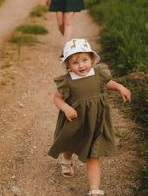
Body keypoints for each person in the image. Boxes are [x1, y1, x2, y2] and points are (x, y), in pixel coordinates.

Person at [48, 39, 131, 196]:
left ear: (92, 59)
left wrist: (120, 87)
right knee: (69, 144)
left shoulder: (98, 74)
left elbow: (109, 83)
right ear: (68, 65)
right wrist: (66, 108)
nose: (81, 66)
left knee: (94, 154)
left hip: (95, 122)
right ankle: (66, 160)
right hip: (75, 120)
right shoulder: (67, 81)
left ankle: (94, 189)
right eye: (75, 62)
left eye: (85, 60)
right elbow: (57, 98)